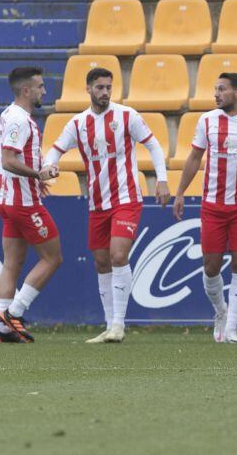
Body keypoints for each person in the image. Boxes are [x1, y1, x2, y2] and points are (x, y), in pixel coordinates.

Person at [44, 67, 170, 344]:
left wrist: (161, 180)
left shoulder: (127, 116)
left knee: (117, 255)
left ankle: (118, 325)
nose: (104, 92)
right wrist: (49, 166)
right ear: (88, 89)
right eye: (99, 87)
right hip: (97, 202)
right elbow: (55, 149)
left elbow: (154, 146)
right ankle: (109, 325)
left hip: (126, 198)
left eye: (108, 88)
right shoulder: (77, 124)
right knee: (101, 261)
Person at [173, 73, 237, 343]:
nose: (216, 94)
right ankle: (221, 312)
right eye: (215, 89)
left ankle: (233, 329)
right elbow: (194, 157)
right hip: (212, 204)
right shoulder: (207, 121)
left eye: (221, 89)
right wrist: (180, 192)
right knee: (211, 265)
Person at [0, 66, 62, 344]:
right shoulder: (19, 120)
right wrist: (38, 175)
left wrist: (37, 177)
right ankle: (14, 313)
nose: (44, 91)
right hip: (24, 203)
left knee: (12, 263)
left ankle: (3, 329)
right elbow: (9, 160)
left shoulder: (10, 114)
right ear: (26, 90)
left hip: (9, 199)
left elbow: (12, 160)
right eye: (40, 86)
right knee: (53, 257)